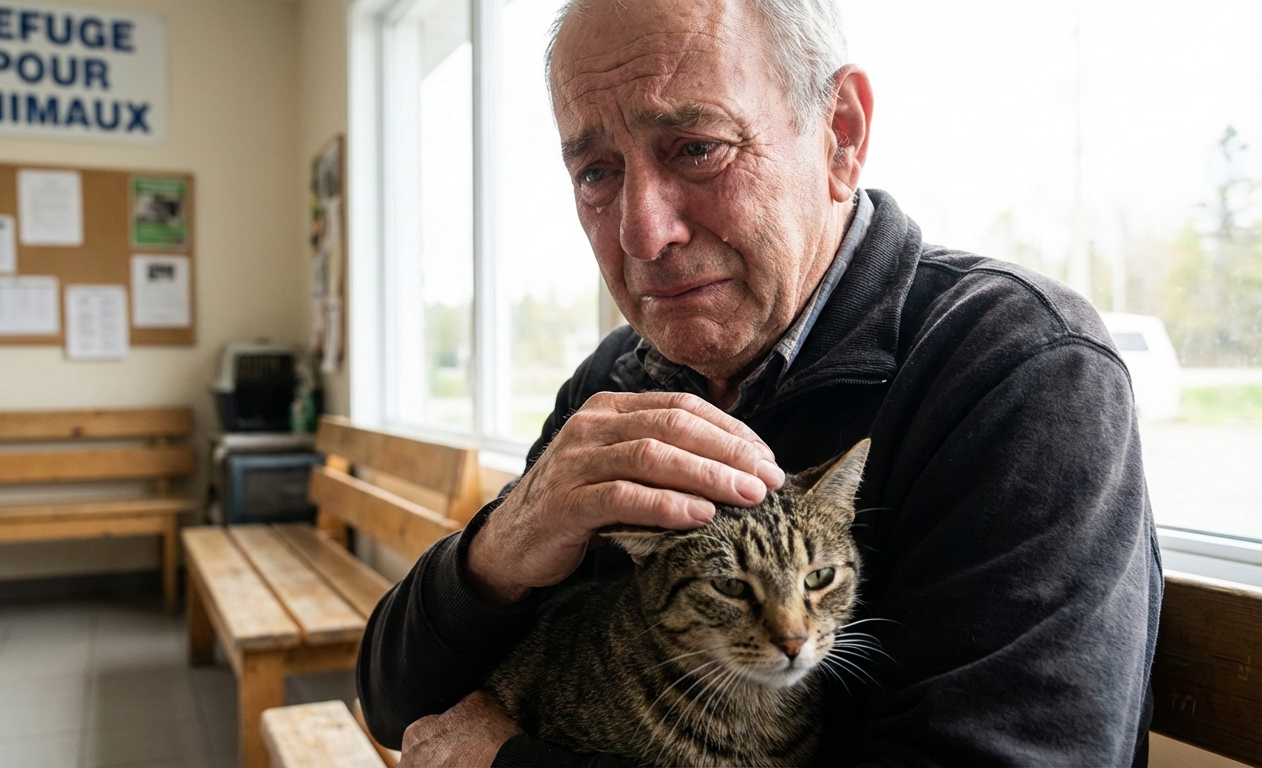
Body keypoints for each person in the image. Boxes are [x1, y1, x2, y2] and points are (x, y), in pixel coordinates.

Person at [357, 0, 1162, 764]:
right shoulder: (617, 379)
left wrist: (513, 764)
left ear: (840, 136)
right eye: (597, 173)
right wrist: (499, 548)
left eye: (697, 147)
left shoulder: (1021, 373)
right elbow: (396, 707)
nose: (643, 232)